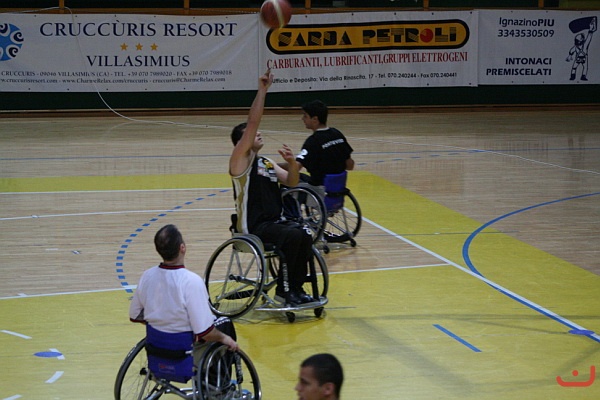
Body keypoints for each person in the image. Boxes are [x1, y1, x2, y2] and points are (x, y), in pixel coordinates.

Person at [229, 70, 315, 306]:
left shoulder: (265, 163)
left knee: (305, 233)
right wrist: (263, 90)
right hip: (253, 227)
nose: (257, 133)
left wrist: (292, 163)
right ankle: (284, 290)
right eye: (251, 134)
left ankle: (295, 289)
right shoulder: (239, 162)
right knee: (292, 236)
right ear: (241, 143)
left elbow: (292, 182)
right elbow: (253, 122)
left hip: (274, 223)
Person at [129, 224, 238, 365]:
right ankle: (219, 378)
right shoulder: (191, 281)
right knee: (225, 324)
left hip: (156, 346)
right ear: (182, 248)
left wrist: (162, 323)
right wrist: (225, 339)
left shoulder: (147, 276)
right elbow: (205, 332)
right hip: (183, 350)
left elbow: (135, 315)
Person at [296, 100, 355, 197]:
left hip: (318, 189)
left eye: (305, 116)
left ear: (315, 119)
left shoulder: (312, 141)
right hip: (337, 188)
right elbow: (350, 165)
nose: (302, 119)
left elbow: (296, 168)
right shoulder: (336, 133)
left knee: (287, 182)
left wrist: (276, 166)